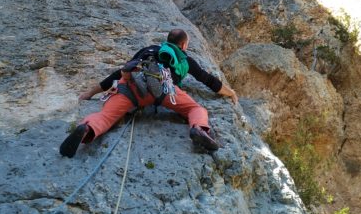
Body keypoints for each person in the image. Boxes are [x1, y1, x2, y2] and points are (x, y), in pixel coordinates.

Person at [59, 29, 238, 157]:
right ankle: (198, 129)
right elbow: (207, 80)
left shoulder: (148, 50)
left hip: (131, 84)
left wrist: (90, 93)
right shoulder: (185, 59)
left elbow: (116, 74)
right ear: (183, 45)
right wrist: (230, 93)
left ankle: (87, 129)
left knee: (105, 116)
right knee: (195, 109)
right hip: (164, 89)